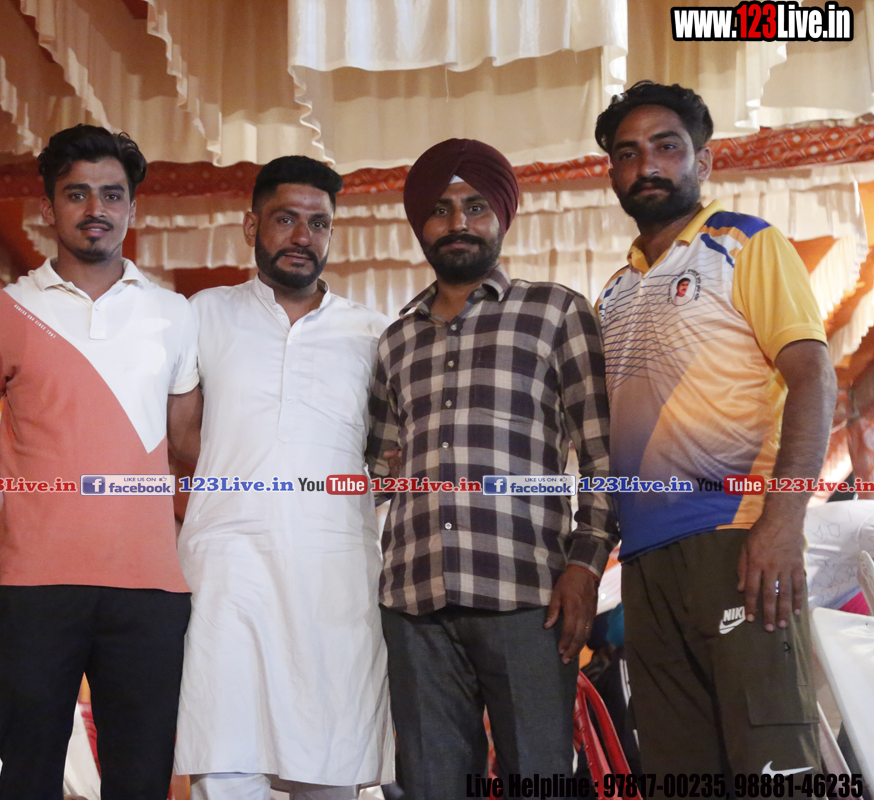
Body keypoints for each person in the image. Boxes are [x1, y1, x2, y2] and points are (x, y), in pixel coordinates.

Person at [594, 81, 835, 781]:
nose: (647, 165)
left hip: (738, 543)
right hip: (643, 565)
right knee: (679, 774)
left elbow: (814, 379)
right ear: (612, 173)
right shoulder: (612, 293)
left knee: (773, 770)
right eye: (627, 153)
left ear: (702, 160)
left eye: (666, 147)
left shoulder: (745, 244)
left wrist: (782, 524)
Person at [366, 138, 617, 798]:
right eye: (440, 210)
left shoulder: (556, 312)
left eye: (475, 207)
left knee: (539, 775)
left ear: (502, 216)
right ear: (419, 224)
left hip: (529, 596)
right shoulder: (394, 341)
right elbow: (379, 472)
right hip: (414, 602)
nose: (458, 223)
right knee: (431, 784)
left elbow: (603, 458)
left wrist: (586, 566)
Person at [0, 124, 200, 798]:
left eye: (111, 194)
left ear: (132, 207)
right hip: (31, 587)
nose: (96, 208)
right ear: (48, 207)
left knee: (142, 781)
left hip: (153, 591)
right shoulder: (4, 311)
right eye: (77, 194)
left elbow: (192, 450)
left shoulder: (174, 314)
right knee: (29, 778)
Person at [175, 156, 394, 799]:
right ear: (252, 226)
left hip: (335, 575)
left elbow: (387, 455)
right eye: (286, 219)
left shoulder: (372, 333)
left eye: (318, 223)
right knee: (225, 763)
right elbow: (183, 436)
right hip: (227, 572)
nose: (303, 236)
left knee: (330, 764)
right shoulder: (205, 313)